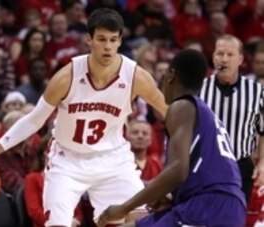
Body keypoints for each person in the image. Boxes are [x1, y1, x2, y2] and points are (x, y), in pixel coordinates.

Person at [0, 8, 168, 226]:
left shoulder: (135, 76)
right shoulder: (67, 76)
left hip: (113, 158)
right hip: (68, 160)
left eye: (113, 40)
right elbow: (33, 120)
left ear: (120, 41)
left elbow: (168, 110)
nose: (107, 46)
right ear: (89, 40)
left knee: (141, 220)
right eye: (102, 39)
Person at [98, 49, 246, 227]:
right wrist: (170, 195)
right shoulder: (207, 115)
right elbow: (201, 168)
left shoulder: (182, 105)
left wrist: (124, 208)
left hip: (207, 205)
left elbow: (178, 170)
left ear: (170, 75)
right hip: (222, 204)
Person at [200, 35, 264, 202]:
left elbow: (263, 131)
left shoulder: (256, 91)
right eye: (220, 54)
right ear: (213, 57)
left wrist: (262, 164)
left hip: (240, 166)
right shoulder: (200, 89)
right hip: (206, 165)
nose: (224, 59)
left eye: (230, 54)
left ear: (241, 59)